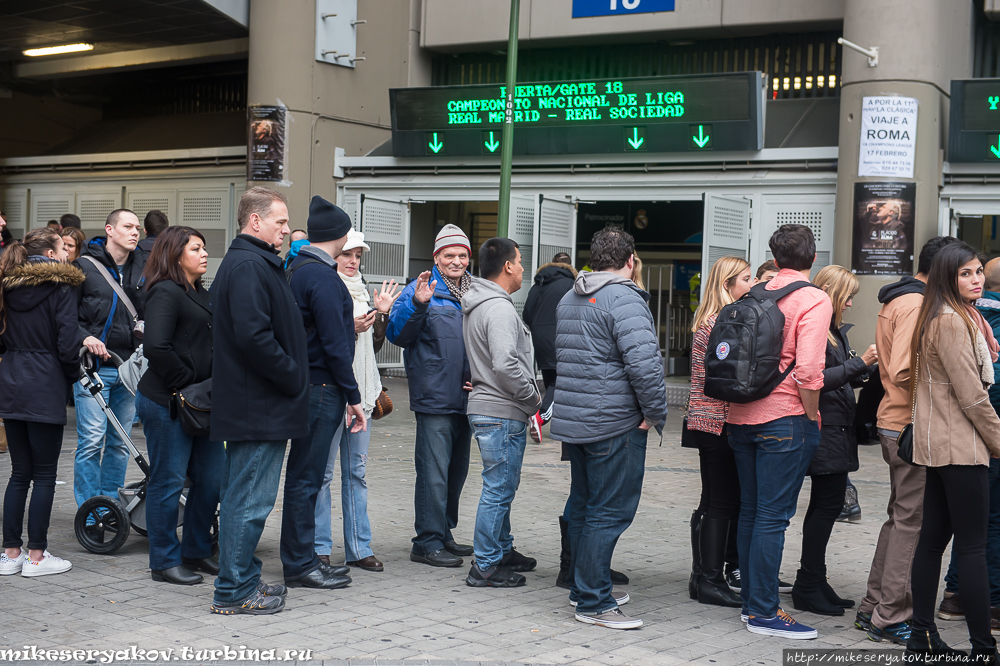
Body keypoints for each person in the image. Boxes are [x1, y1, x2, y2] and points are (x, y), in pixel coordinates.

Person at [550, 226, 668, 630]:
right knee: (609, 511)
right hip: (615, 422)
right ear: (630, 261)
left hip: (578, 421)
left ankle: (584, 588)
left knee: (585, 506)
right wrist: (654, 413)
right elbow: (645, 365)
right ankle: (595, 601)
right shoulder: (625, 298)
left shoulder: (571, 296)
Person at [727, 224, 832, 640]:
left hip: (740, 416)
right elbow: (809, 370)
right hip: (784, 418)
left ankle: (752, 603)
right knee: (773, 517)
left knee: (752, 512)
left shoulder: (754, 292)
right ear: (813, 257)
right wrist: (810, 417)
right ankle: (765, 612)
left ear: (773, 254)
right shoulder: (813, 298)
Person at [210, 186, 309, 615]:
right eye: (281, 222)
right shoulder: (250, 264)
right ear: (255, 221)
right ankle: (234, 591)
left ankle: (242, 578)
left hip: (258, 404)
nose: (286, 230)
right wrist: (292, 376)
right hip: (259, 405)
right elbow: (255, 337)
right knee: (248, 501)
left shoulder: (254, 261)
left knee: (243, 497)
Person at [858, 235, 960, 643]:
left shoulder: (899, 298)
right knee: (912, 524)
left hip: (896, 422)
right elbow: (901, 368)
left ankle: (872, 608)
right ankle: (892, 615)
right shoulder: (917, 304)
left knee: (900, 519)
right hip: (908, 425)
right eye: (958, 272)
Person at [905, 242, 1000, 662]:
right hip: (958, 447)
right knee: (973, 549)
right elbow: (973, 397)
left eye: (978, 271)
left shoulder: (950, 315)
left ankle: (922, 638)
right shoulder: (950, 321)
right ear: (947, 276)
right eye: (966, 273)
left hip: (941, 446)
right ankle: (984, 649)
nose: (976, 279)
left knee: (932, 543)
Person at [134, 226, 224, 586]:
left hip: (201, 403)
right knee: (168, 481)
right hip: (167, 401)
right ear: (175, 254)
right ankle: (164, 561)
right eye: (196, 248)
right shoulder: (165, 292)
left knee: (212, 479)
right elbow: (156, 347)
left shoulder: (201, 293)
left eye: (204, 248)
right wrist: (186, 379)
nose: (204, 254)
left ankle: (197, 550)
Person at [283, 196, 363, 591]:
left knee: (305, 476)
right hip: (322, 387)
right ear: (342, 234)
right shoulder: (323, 277)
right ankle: (300, 564)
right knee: (307, 477)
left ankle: (303, 558)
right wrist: (354, 396)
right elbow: (335, 345)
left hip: (308, 384)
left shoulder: (298, 268)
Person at [790, 265, 877, 616]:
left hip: (837, 430)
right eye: (849, 296)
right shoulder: (818, 328)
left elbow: (838, 377)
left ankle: (814, 579)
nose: (852, 304)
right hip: (824, 429)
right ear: (829, 292)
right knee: (825, 508)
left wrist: (868, 369)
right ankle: (808, 584)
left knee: (825, 508)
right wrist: (861, 365)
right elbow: (815, 379)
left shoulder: (834, 331)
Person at [387, 224, 474, 568]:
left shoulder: (474, 291)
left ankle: (444, 532)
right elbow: (397, 334)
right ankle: (426, 541)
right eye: (449, 255)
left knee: (456, 471)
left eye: (463, 255)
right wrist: (419, 305)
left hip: (468, 397)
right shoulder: (419, 290)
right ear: (437, 257)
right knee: (434, 472)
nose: (457, 261)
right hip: (435, 396)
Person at [314, 229, 400, 573]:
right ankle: (319, 548)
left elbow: (371, 350)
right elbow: (320, 343)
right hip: (331, 392)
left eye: (358, 256)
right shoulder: (323, 286)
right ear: (334, 254)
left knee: (357, 473)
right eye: (347, 254)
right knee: (322, 475)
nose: (352, 262)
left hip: (362, 394)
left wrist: (379, 316)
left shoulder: (362, 291)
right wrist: (348, 328)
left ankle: (358, 548)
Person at [0, 229, 81, 577]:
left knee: (19, 473)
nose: (65, 254)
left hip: (11, 382)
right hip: (45, 383)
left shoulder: (6, 286)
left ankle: (10, 553)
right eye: (63, 248)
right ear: (49, 253)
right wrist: (74, 373)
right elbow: (66, 344)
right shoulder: (60, 288)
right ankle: (36, 556)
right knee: (45, 475)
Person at [462, 237, 541, 588]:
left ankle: (501, 549)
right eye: (520, 261)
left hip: (492, 407)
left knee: (502, 484)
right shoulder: (498, 308)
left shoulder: (483, 303)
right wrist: (532, 398)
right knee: (498, 488)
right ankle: (487, 564)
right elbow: (506, 364)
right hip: (501, 409)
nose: (523, 267)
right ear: (507, 266)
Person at [936, 256, 1000, 631]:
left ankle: (957, 595)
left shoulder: (968, 316)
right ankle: (991, 603)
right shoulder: (962, 319)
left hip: (961, 436)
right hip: (987, 436)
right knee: (991, 522)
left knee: (971, 523)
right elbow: (988, 394)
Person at [686, 256, 752, 608]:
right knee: (723, 503)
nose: (753, 282)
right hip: (718, 420)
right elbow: (729, 378)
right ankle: (710, 579)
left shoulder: (707, 319)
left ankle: (701, 577)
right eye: (746, 278)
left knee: (711, 501)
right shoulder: (722, 323)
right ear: (727, 285)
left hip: (703, 419)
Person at [72, 209, 146, 507]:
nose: (134, 232)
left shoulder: (144, 269)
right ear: (109, 230)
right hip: (93, 368)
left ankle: (111, 508)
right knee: (91, 441)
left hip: (128, 367)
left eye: (137, 228)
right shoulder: (84, 267)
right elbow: (64, 316)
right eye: (127, 226)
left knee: (119, 444)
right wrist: (84, 337)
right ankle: (90, 513)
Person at [522, 251, 577, 436]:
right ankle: (540, 417)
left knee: (550, 379)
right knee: (561, 382)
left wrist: (539, 328)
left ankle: (554, 420)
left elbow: (526, 314)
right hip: (561, 337)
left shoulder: (539, 284)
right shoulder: (571, 284)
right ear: (570, 266)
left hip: (539, 337)